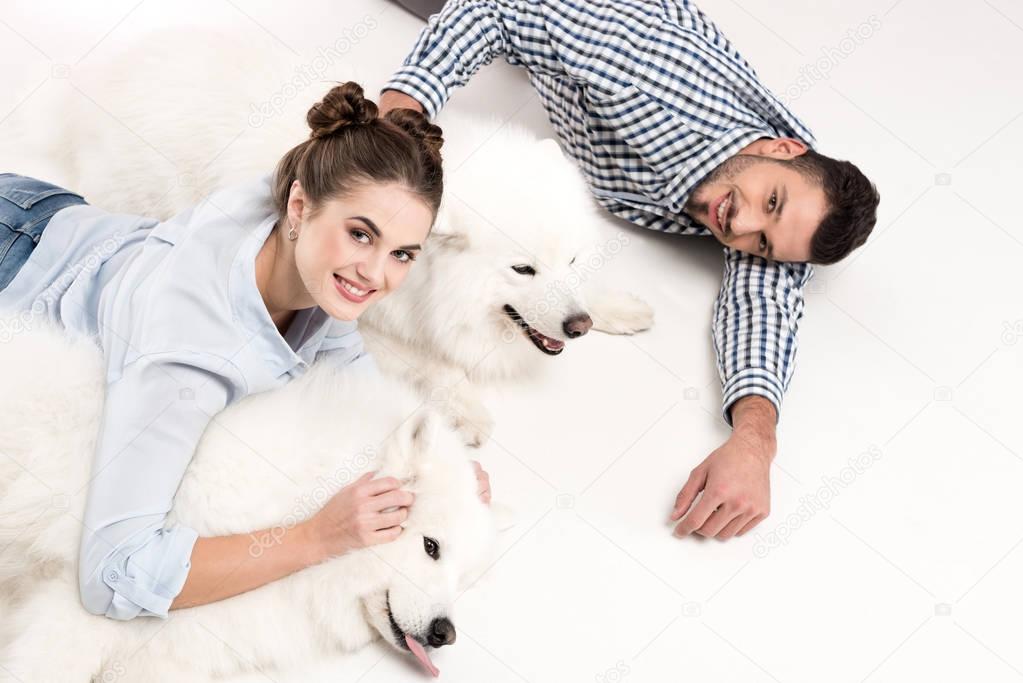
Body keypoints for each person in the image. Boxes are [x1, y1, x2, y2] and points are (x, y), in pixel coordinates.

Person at [380, 0, 879, 540]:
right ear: (783, 148)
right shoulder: (650, 80)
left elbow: (764, 307)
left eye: (762, 242)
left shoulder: (779, 214)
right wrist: (396, 126)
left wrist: (755, 445)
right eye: (772, 201)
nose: (742, 224)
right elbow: (498, 11)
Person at [0, 82, 489, 621]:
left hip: (47, 212)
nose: (375, 274)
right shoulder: (190, 353)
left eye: (401, 253)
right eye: (359, 235)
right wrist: (315, 537)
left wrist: (445, 464)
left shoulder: (305, 228)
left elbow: (351, 374)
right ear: (299, 206)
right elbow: (112, 576)